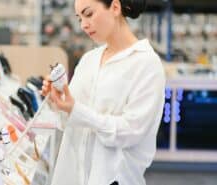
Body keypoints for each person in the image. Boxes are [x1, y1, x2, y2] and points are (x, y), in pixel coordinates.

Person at [41, 0, 166, 185]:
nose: (83, 24)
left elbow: (131, 132)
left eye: (89, 14)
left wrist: (76, 110)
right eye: (79, 18)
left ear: (115, 7)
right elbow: (67, 121)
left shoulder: (146, 64)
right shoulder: (88, 60)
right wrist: (57, 101)